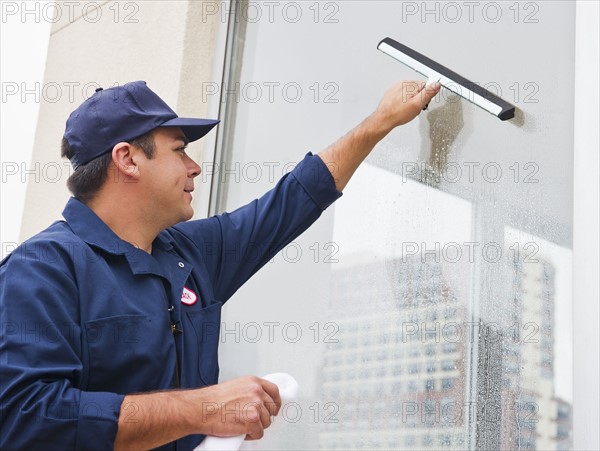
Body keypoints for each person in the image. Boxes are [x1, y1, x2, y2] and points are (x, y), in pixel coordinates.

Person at [0, 79, 440, 450]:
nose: (194, 167)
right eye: (178, 151)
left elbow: (292, 201)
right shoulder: (42, 269)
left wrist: (380, 123)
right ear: (127, 159)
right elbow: (26, 416)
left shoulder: (188, 253)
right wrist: (205, 409)